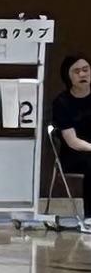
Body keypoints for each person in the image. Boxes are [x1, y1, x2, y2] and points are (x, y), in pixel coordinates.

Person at [51, 54, 91, 227]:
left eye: (86, 70)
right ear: (68, 76)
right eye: (77, 71)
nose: (82, 74)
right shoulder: (62, 102)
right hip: (74, 154)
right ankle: (90, 215)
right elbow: (73, 141)